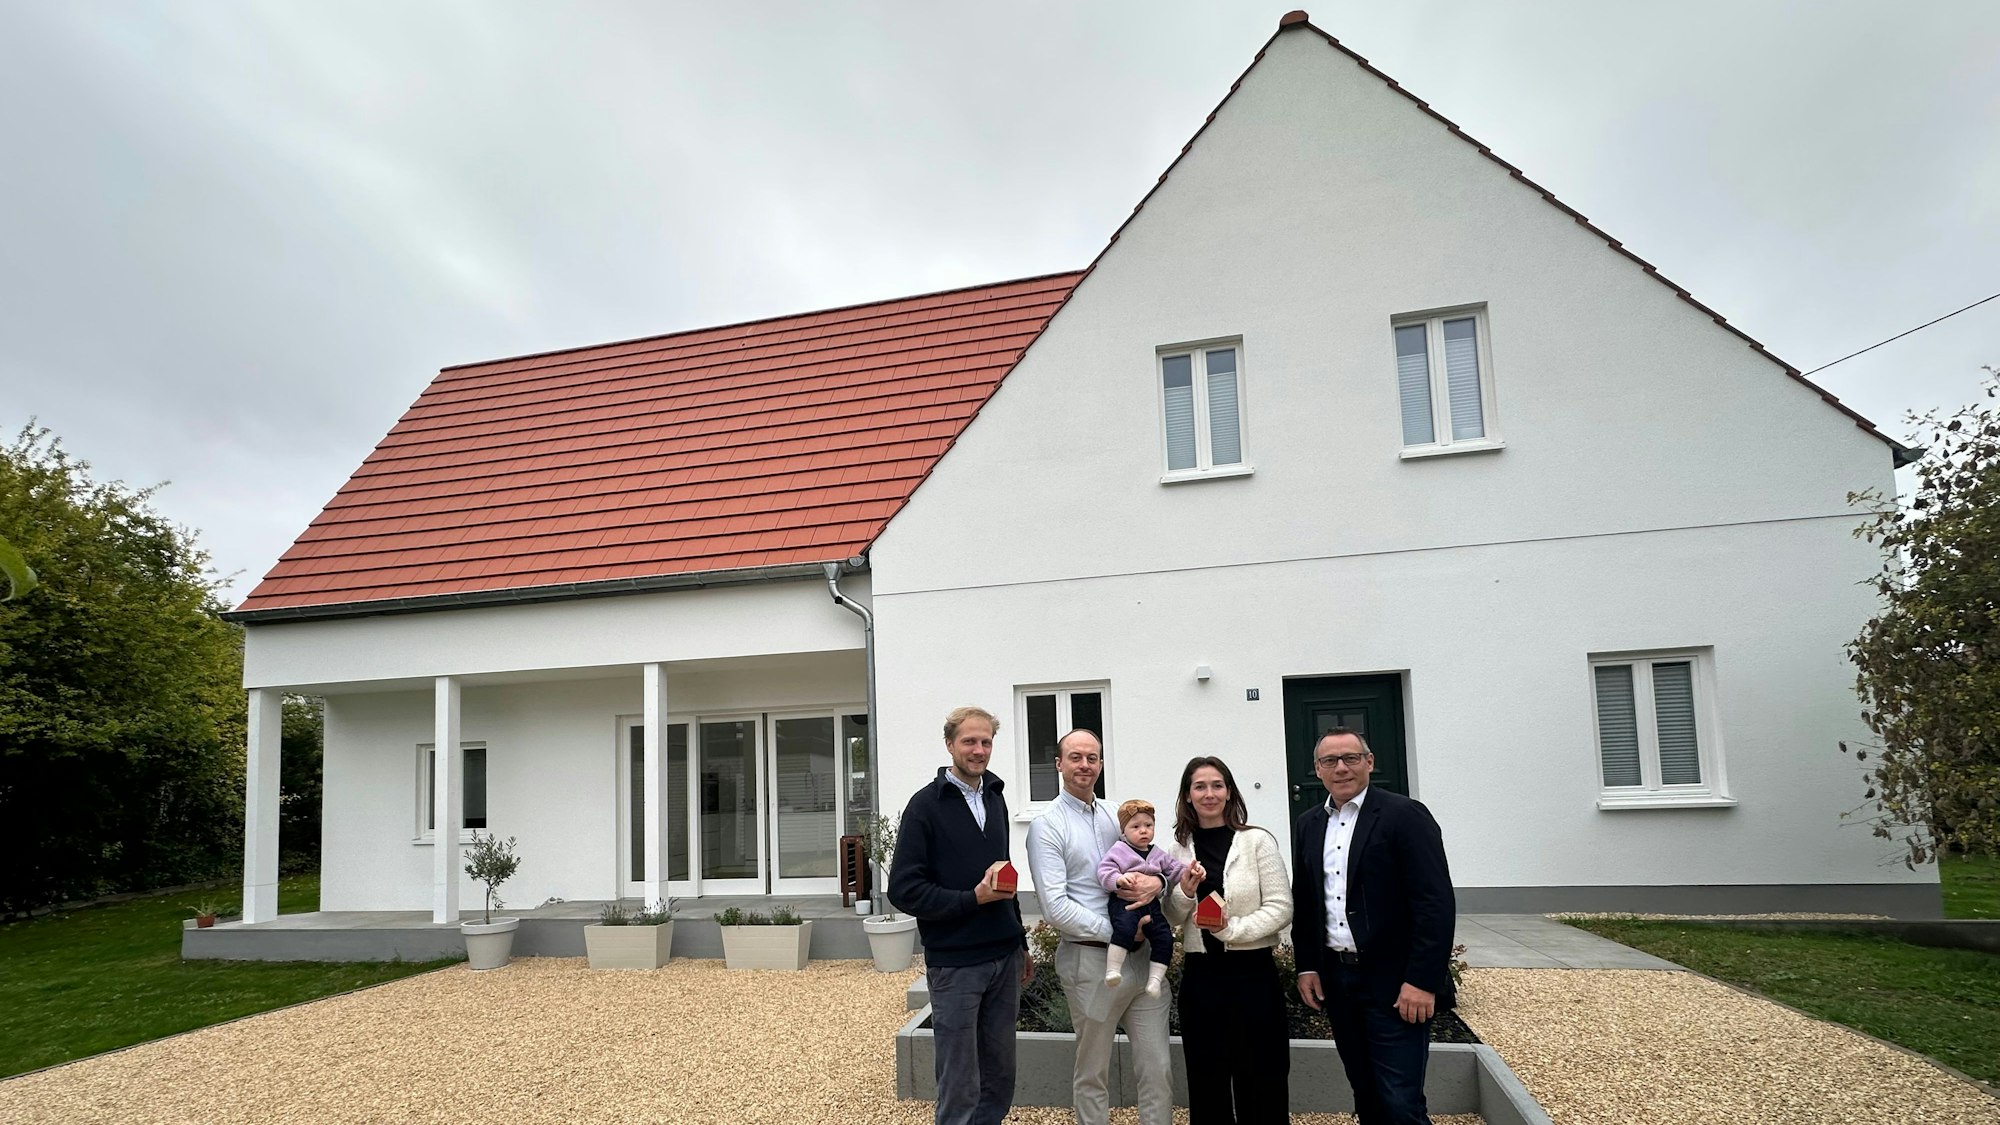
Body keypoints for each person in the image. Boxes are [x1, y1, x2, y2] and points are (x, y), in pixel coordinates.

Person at [1292, 728, 1456, 1125]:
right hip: (1338, 979)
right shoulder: (1309, 823)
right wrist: (1308, 965)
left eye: (1351, 757)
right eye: (1330, 761)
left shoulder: (1404, 815)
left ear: (1370, 762)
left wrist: (1422, 980)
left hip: (1396, 983)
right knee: (1365, 1091)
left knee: (1400, 1102)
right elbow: (1308, 902)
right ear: (1317, 770)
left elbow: (1435, 903)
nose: (1341, 768)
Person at [889, 705, 1032, 1125]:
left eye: (986, 741)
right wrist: (971, 899)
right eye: (969, 741)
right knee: (959, 1079)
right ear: (950, 744)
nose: (979, 750)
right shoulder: (924, 807)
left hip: (1003, 957)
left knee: (1000, 1073)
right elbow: (903, 889)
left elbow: (1004, 875)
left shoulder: (995, 796)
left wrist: (1020, 941)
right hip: (956, 962)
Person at [1024, 729, 1173, 1125]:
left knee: (1157, 1068)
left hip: (1143, 962)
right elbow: (1055, 907)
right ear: (1059, 764)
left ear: (1101, 764)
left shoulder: (1116, 816)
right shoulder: (1047, 826)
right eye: (1075, 757)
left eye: (1092, 757)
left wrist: (1160, 882)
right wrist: (1121, 933)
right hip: (1090, 962)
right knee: (1093, 1074)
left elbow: (1152, 859)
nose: (1084, 765)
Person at [1160, 755, 1294, 1125]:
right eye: (1199, 786)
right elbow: (1172, 916)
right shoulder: (1178, 848)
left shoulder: (1257, 842)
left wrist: (1230, 930)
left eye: (1217, 785)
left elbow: (1281, 907)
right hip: (1202, 978)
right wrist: (1185, 893)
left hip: (1253, 975)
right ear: (1187, 795)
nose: (1209, 794)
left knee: (1263, 1078)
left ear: (1229, 791)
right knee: (1207, 1081)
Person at [1095, 799, 1186, 996]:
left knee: (1164, 937)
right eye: (1135, 826)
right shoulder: (1119, 850)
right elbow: (1104, 871)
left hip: (1151, 904)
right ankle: (1112, 970)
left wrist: (1191, 873)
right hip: (1124, 902)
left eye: (1148, 825)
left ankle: (1154, 981)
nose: (1143, 830)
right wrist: (1119, 879)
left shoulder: (1158, 853)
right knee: (1124, 928)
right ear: (1123, 831)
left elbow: (1175, 869)